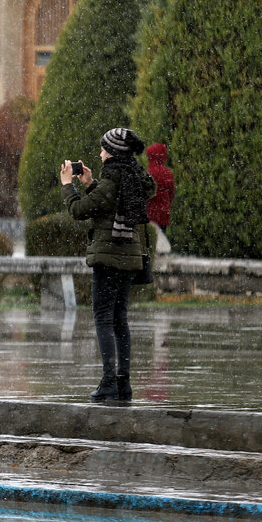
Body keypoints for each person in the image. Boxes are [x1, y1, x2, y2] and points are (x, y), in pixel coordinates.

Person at [60, 128, 155, 403]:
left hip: (108, 256)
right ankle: (123, 383)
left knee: (103, 318)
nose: (100, 153)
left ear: (112, 152)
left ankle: (108, 382)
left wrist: (69, 185)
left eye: (103, 148)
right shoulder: (132, 178)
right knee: (119, 318)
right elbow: (108, 204)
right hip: (129, 256)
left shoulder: (113, 179)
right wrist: (90, 182)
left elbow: (79, 210)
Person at [144, 142, 175, 233]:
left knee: (149, 240)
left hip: (150, 213)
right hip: (163, 214)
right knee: (161, 239)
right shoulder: (167, 172)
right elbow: (171, 193)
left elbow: (145, 194)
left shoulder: (149, 173)